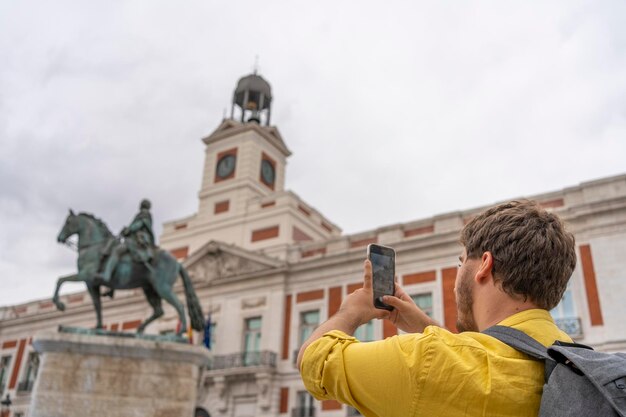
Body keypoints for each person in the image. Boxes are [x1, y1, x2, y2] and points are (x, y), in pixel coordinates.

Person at [298, 200, 577, 417]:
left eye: (460, 263)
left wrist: (352, 311)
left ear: (484, 265)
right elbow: (480, 359)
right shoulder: (575, 361)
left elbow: (316, 360)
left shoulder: (423, 361)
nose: (456, 281)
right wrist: (427, 327)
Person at [99, 199, 156, 293]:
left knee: (117, 251)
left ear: (142, 205)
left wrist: (128, 230)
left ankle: (106, 275)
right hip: (136, 239)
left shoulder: (144, 214)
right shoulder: (145, 214)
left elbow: (139, 224)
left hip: (138, 240)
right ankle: (112, 285)